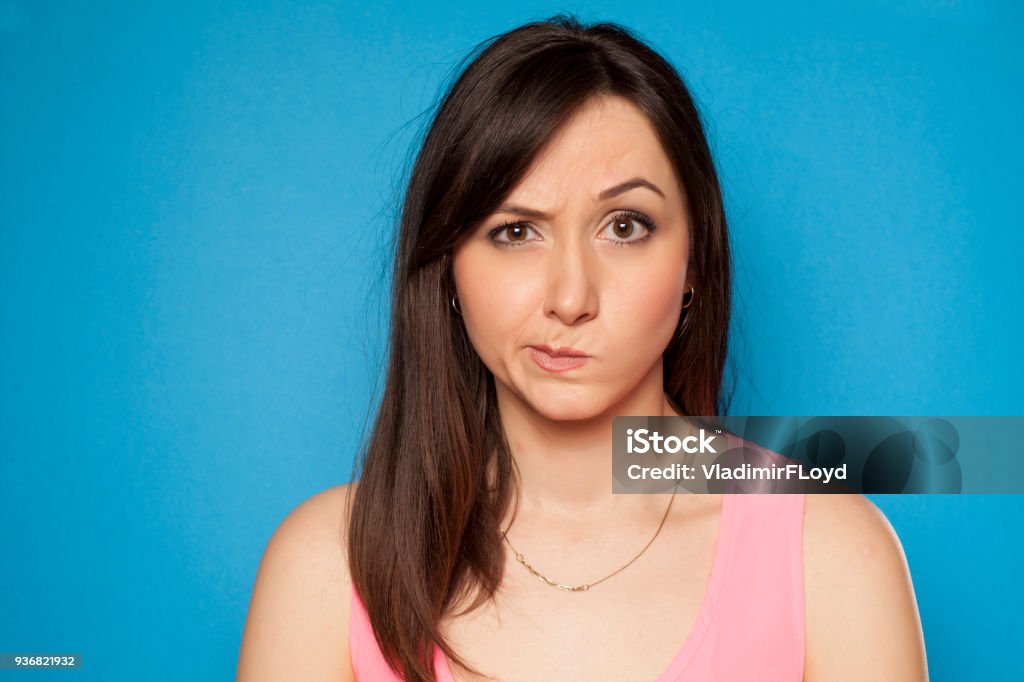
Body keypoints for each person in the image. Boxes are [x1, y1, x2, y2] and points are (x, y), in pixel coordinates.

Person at [237, 15, 927, 682]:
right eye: (515, 231)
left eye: (624, 227)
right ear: (448, 268)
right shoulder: (327, 567)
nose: (570, 298)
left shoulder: (830, 554)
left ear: (695, 265)